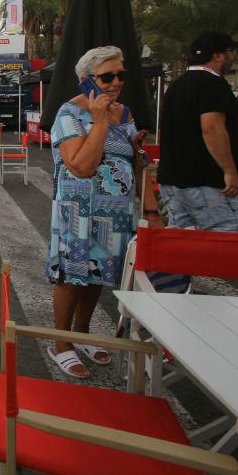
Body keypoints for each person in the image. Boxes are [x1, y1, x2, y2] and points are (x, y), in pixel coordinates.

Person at [47, 46, 159, 379]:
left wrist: (151, 210)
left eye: (120, 75)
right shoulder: (69, 113)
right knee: (72, 275)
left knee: (97, 274)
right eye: (107, 76)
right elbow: (81, 165)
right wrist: (99, 121)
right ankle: (61, 342)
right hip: (79, 211)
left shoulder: (125, 115)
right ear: (86, 81)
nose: (116, 82)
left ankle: (81, 334)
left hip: (116, 213)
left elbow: (137, 163)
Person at [158, 32, 238, 234]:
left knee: (186, 249)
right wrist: (230, 171)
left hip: (173, 181)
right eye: (232, 52)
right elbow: (212, 128)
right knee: (230, 243)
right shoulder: (214, 84)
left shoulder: (176, 86)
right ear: (217, 56)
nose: (234, 57)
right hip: (207, 181)